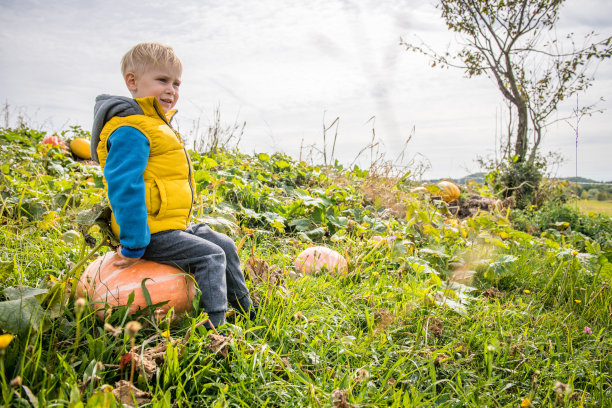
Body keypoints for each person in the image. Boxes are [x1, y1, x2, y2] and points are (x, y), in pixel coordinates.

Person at [90, 42, 255, 328]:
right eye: (162, 80)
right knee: (210, 255)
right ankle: (215, 328)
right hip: (147, 232)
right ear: (132, 81)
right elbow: (124, 185)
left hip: (170, 225)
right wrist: (134, 241)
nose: (172, 89)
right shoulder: (131, 129)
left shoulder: (155, 124)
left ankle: (246, 311)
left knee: (224, 244)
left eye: (176, 83)